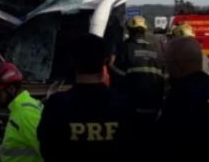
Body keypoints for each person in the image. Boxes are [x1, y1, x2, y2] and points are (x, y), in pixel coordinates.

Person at [37, 33, 136, 161]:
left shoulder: (56, 105)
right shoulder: (123, 104)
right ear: (105, 61)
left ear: (72, 61)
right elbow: (133, 148)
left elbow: (47, 149)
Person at [0, 61, 43, 162]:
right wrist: (2, 151)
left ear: (11, 89)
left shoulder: (26, 114)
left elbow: (49, 152)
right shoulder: (20, 108)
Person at [111, 15, 165, 118]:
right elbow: (164, 77)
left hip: (131, 105)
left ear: (130, 31)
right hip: (154, 105)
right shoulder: (156, 49)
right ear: (144, 30)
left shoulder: (125, 48)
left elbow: (117, 77)